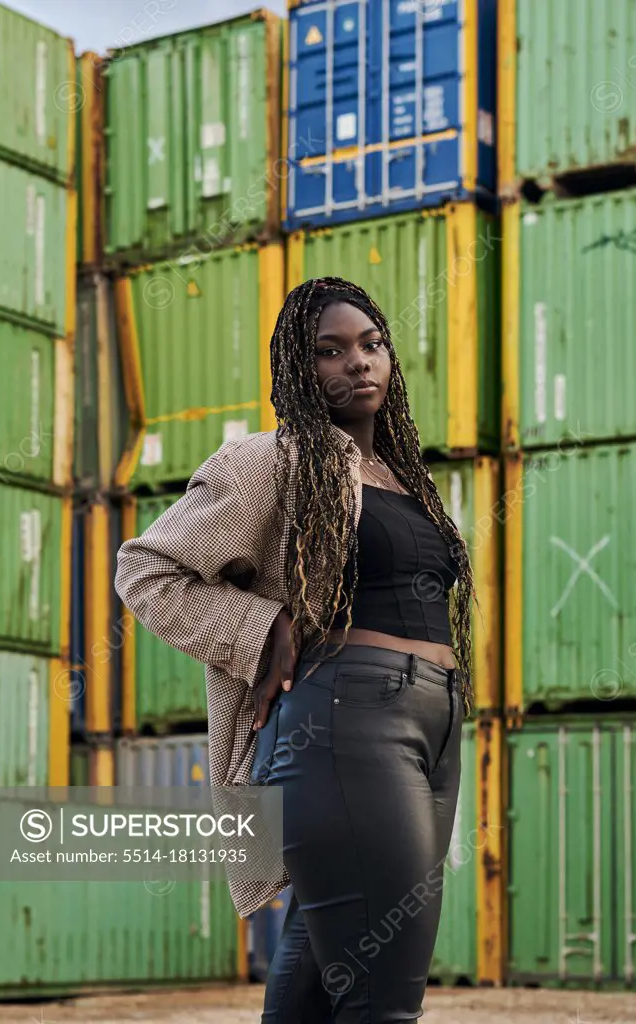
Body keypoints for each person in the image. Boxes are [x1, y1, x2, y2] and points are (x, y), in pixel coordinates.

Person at [115, 277, 475, 1023]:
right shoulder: (269, 460)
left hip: (433, 728)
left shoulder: (406, 477)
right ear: (296, 370)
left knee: (322, 968)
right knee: (384, 996)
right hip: (345, 726)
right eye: (330, 351)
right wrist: (262, 628)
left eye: (373, 345)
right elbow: (145, 569)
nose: (359, 363)